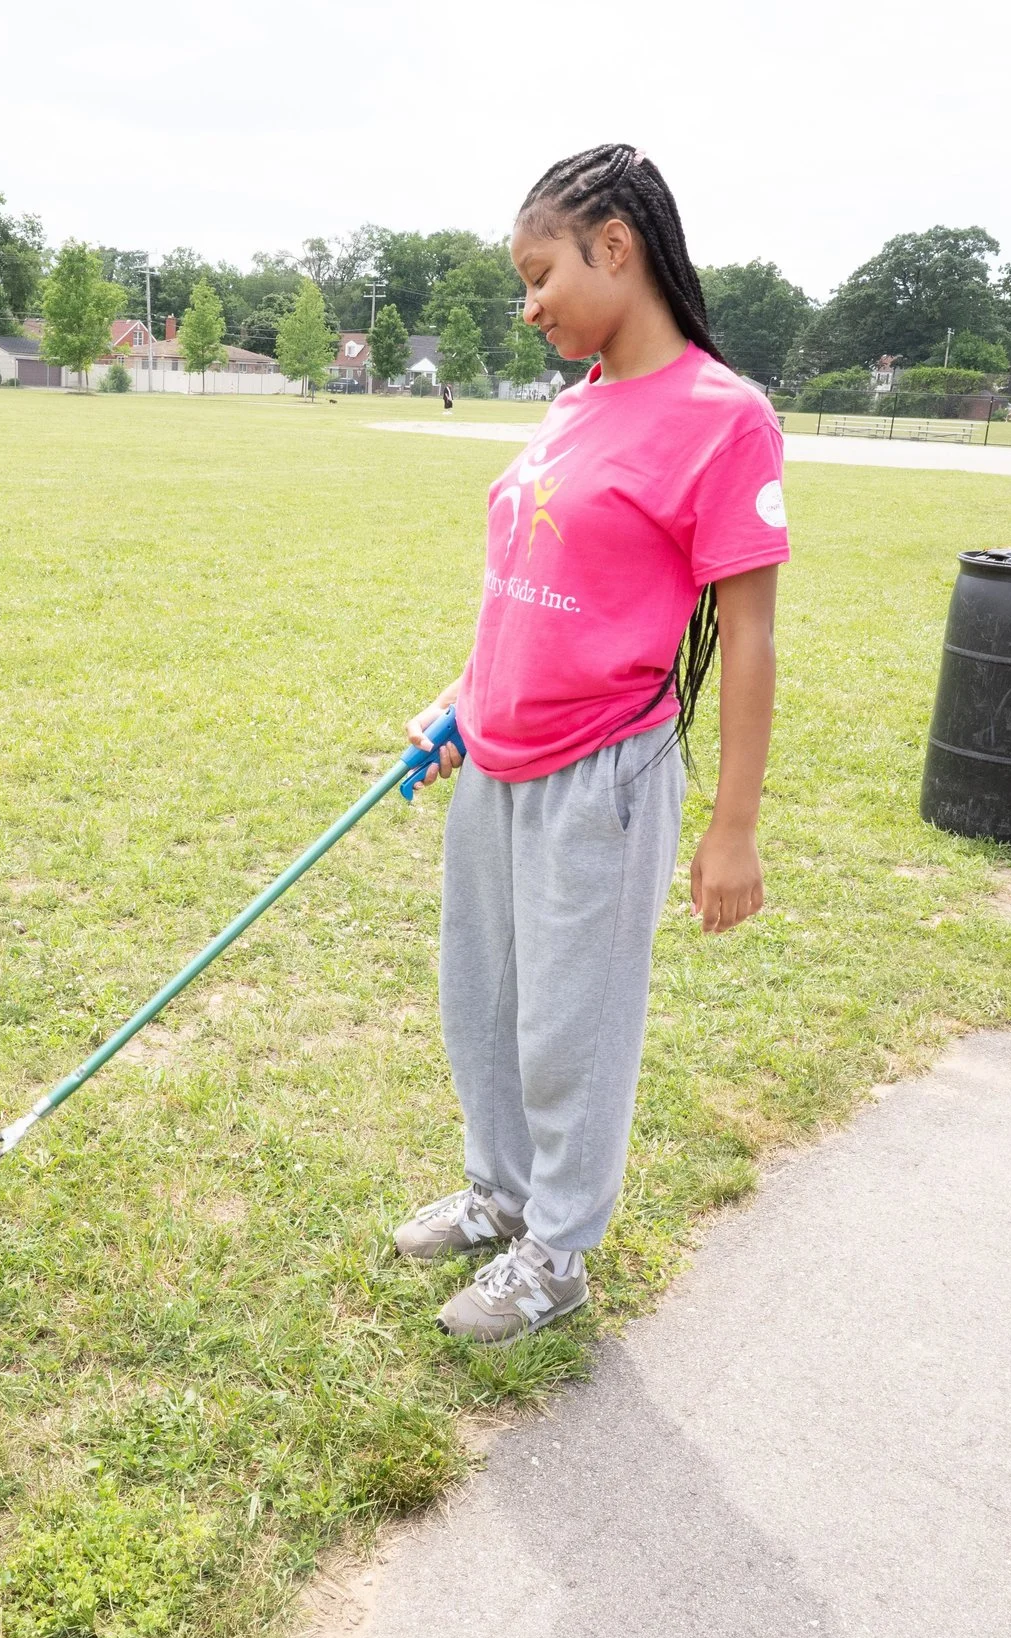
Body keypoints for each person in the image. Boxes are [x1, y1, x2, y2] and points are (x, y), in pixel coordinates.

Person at [394, 143, 786, 1342]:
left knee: (572, 1024)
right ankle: (501, 1195)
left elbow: (751, 635)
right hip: (493, 760)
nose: (529, 305)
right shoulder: (572, 408)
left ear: (614, 245)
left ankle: (556, 1253)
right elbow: (519, 584)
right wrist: (461, 696)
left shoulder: (724, 417)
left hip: (602, 773)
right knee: (485, 1003)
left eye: (539, 273)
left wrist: (731, 829)